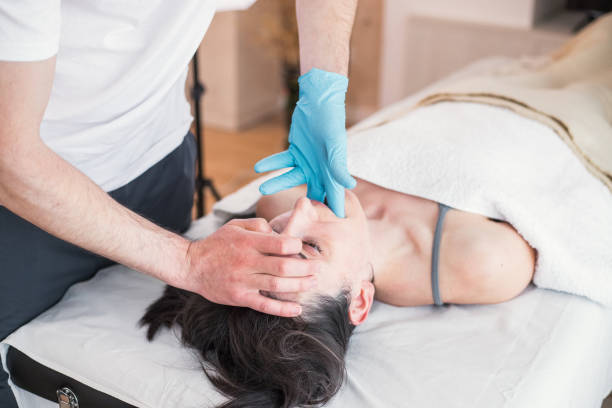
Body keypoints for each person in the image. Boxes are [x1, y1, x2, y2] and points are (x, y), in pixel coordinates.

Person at [0, 0, 359, 404]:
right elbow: (9, 156)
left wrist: (323, 84)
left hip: (157, 156)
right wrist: (187, 261)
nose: (298, 211)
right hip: (23, 201)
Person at [141, 179, 536, 408]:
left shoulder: (278, 200)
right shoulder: (483, 263)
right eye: (310, 247)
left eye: (274, 233)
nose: (298, 211)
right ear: (361, 300)